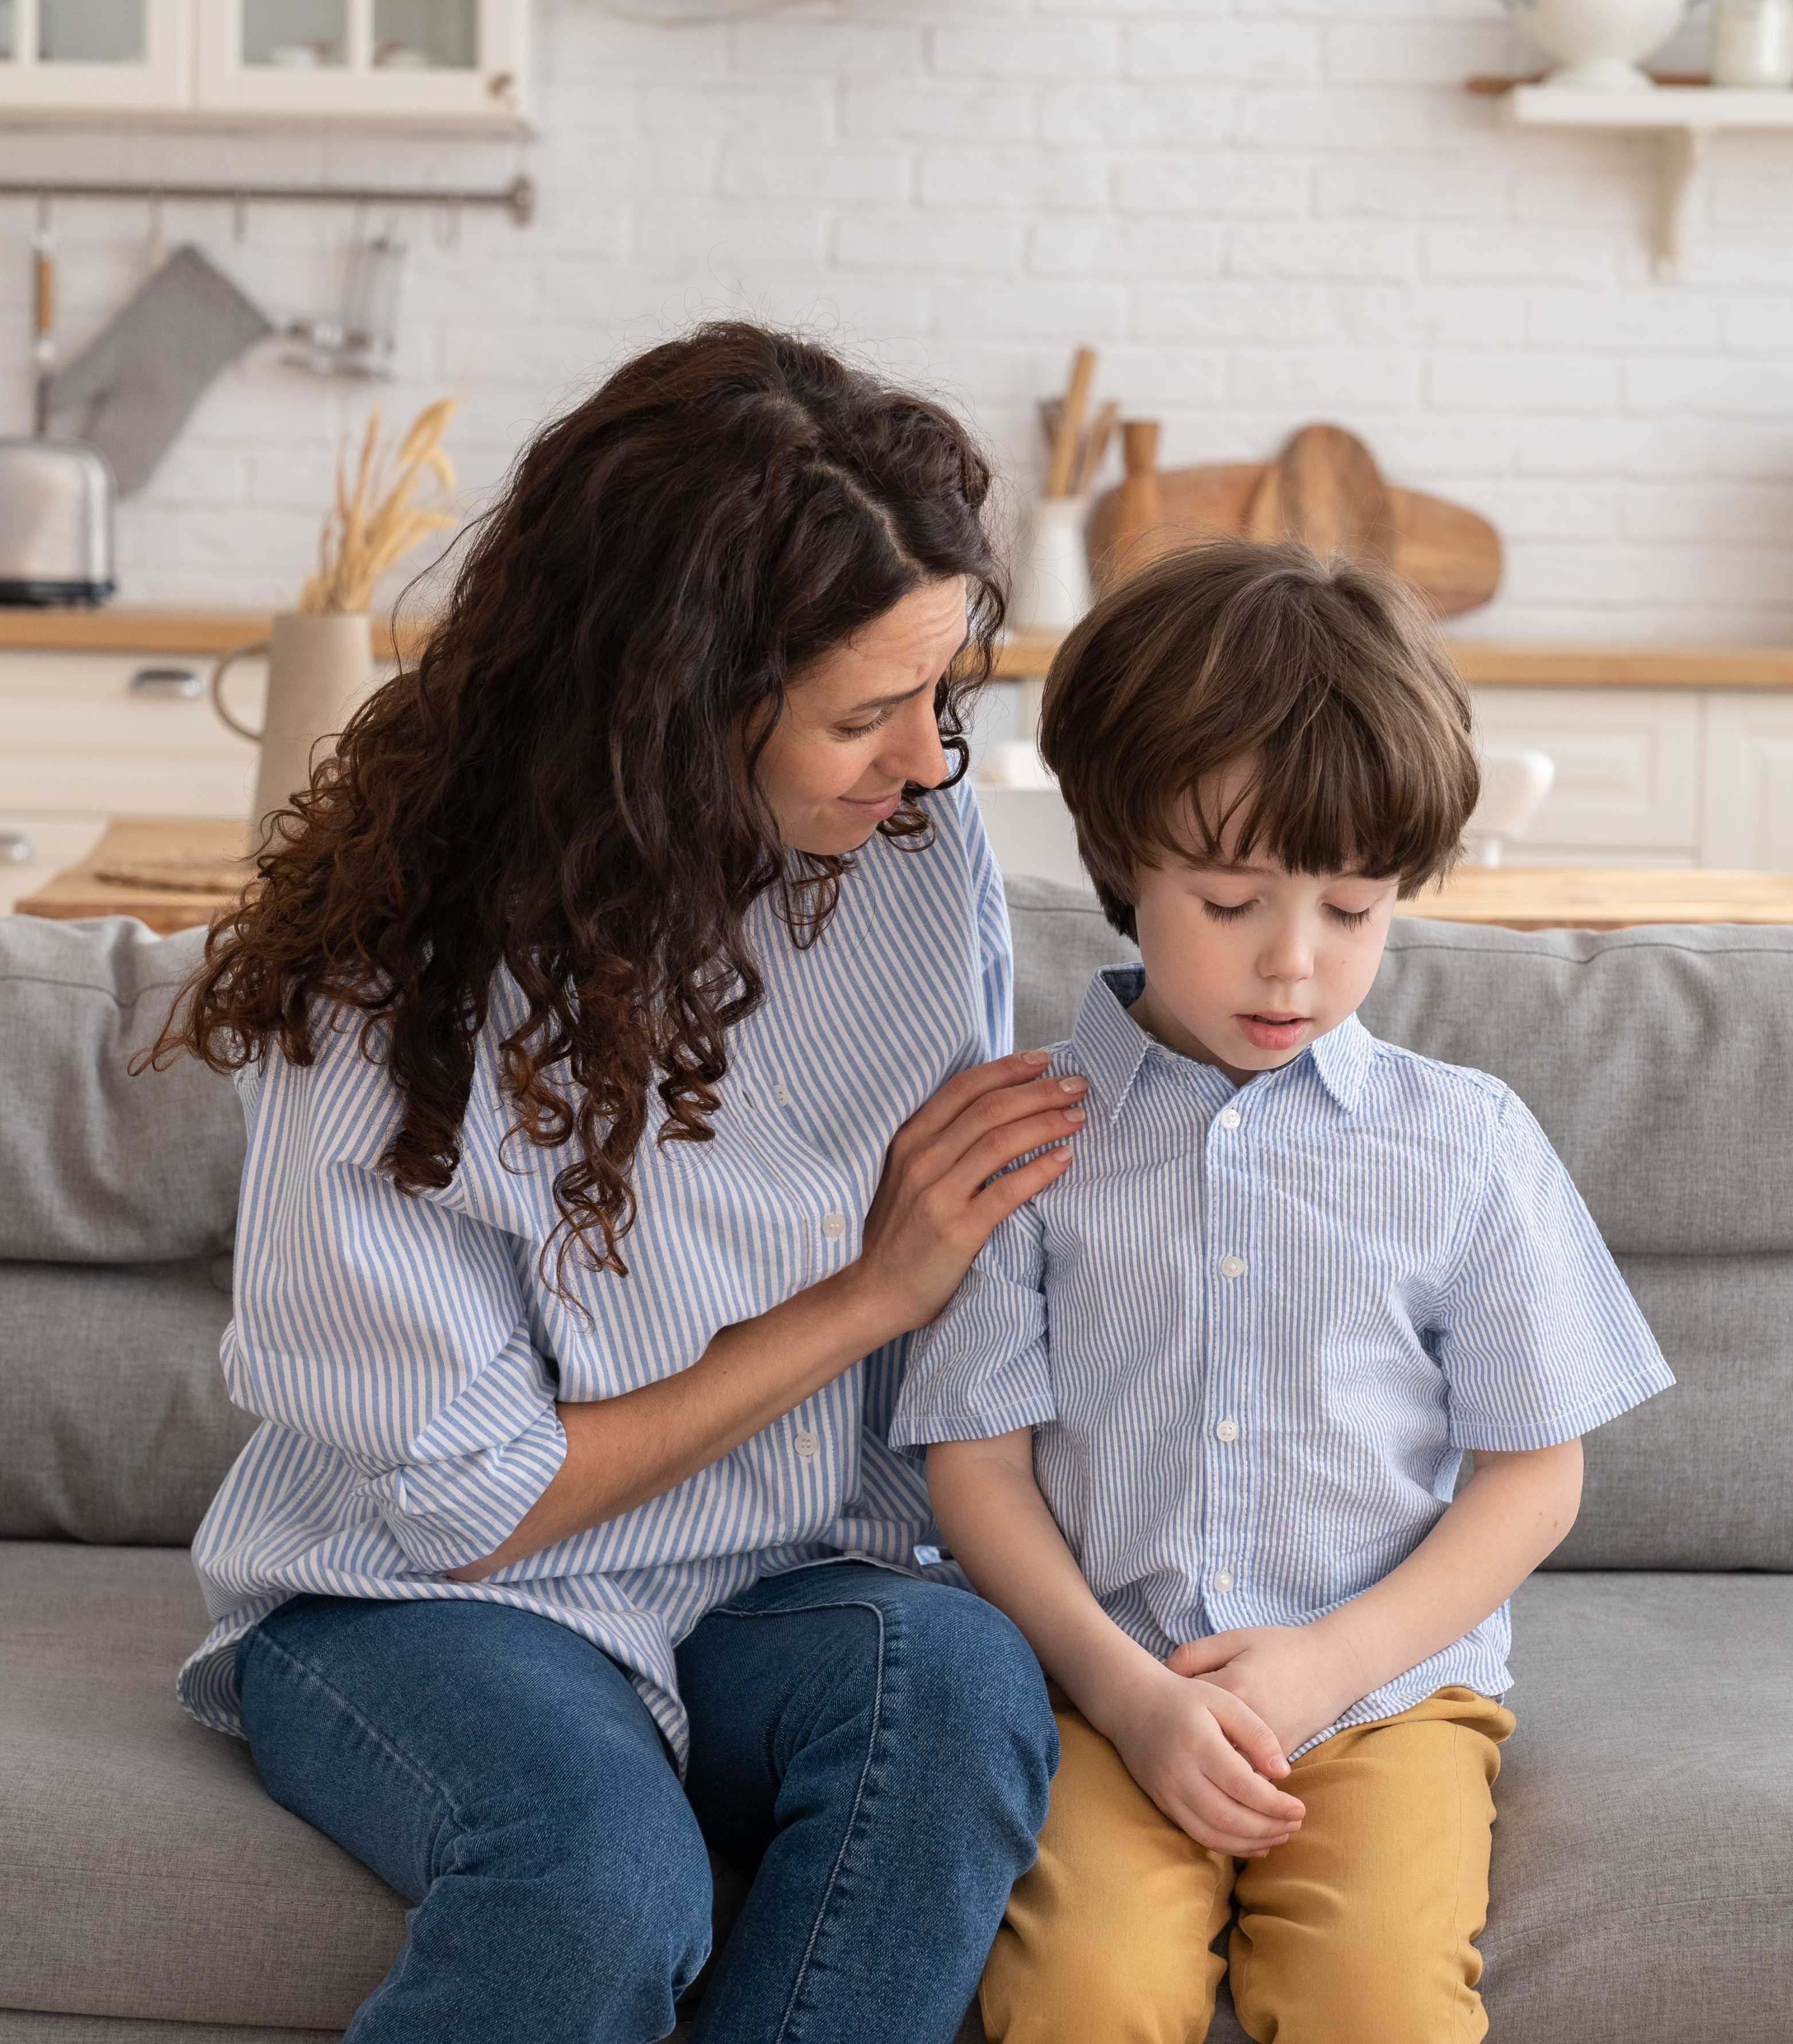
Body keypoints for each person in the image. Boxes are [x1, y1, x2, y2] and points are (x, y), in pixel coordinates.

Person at [149, 322, 1071, 2044]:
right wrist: (866, 1294)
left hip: (790, 1579)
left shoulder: (916, 858)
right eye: (867, 715)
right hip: (430, 1598)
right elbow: (472, 1502)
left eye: (943, 698)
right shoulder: (394, 977)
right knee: (598, 1881)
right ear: (671, 698)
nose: (931, 765)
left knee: (958, 1689)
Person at [889, 537, 1675, 2044]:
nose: (1295, 962)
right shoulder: (1032, 1133)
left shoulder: (1463, 1140)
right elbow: (974, 1469)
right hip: (1110, 1694)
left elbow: (1537, 1473)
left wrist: (1334, 1656)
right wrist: (1125, 1695)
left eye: (1355, 908)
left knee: (1377, 2007)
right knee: (1080, 1996)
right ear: (1124, 861)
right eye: (1234, 898)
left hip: (1383, 1702)